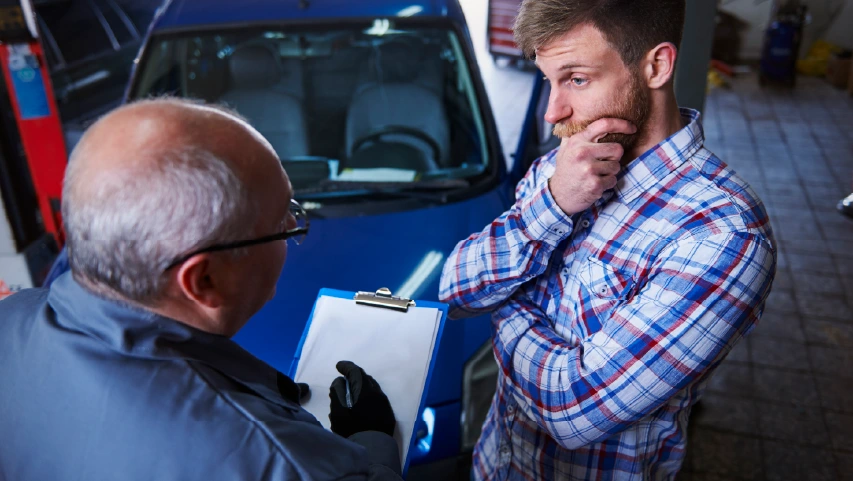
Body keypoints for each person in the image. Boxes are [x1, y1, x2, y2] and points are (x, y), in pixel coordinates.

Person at [439, 1, 777, 479]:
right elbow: (454, 289)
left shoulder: (723, 232)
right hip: (495, 465)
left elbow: (572, 410)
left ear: (656, 65)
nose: (552, 112)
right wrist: (552, 205)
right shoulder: (559, 170)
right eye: (547, 80)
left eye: (576, 79)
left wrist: (502, 305)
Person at [0, 98, 403, 481]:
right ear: (204, 281)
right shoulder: (282, 464)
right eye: (284, 220)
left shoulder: (8, 323)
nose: (293, 230)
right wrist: (371, 439)